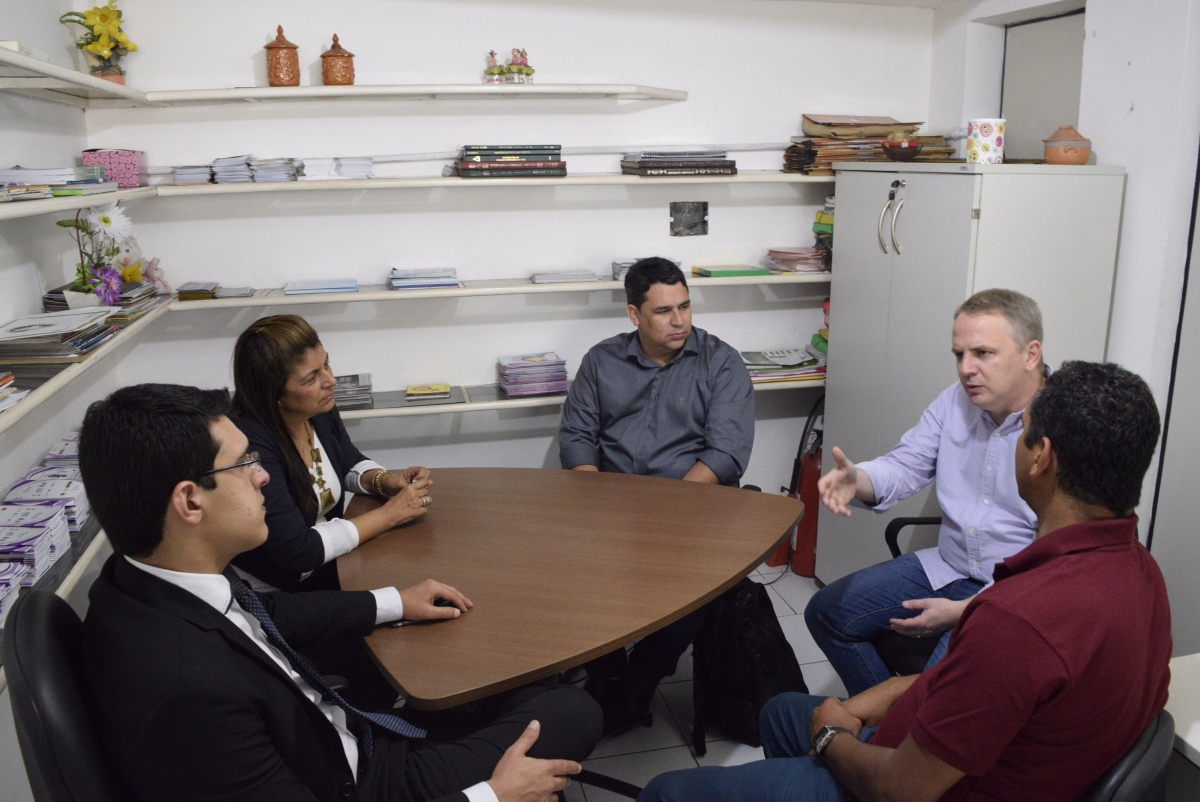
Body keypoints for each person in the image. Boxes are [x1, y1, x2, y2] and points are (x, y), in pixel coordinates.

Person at [639, 360, 1171, 802]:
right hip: (939, 751)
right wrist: (863, 708)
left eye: (1024, 433)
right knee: (781, 712)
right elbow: (973, 689)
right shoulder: (1143, 575)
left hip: (902, 787)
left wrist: (831, 737)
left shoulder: (1017, 621)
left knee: (665, 792)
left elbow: (902, 788)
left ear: (1043, 457)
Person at [78, 383, 602, 802]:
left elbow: (265, 614)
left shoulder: (146, 577)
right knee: (573, 711)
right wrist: (490, 795)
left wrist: (394, 601)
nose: (263, 477)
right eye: (244, 464)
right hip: (359, 781)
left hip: (342, 737)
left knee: (513, 678)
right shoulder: (185, 693)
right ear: (190, 502)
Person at [805, 288, 1046, 695]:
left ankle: (901, 740)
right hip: (949, 564)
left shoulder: (1063, 421)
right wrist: (859, 480)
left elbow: (1058, 564)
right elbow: (905, 464)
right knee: (827, 613)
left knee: (936, 691)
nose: (966, 369)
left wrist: (964, 612)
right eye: (958, 354)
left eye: (983, 353)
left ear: (1031, 354)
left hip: (1011, 590)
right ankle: (884, 735)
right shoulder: (954, 402)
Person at [558, 256, 754, 735]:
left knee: (694, 589)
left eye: (685, 306)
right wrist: (593, 497)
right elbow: (577, 437)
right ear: (634, 315)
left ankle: (639, 683)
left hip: (689, 507)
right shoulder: (602, 360)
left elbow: (726, 453)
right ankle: (606, 668)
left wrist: (666, 511)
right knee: (566, 567)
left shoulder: (720, 361)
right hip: (609, 503)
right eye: (664, 311)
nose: (680, 320)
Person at [230, 314, 432, 593]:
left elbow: (345, 459)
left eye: (326, 363)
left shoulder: (316, 409)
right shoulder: (248, 445)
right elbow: (297, 551)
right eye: (312, 377)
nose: (331, 380)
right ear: (272, 393)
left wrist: (383, 480)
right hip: (278, 590)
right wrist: (389, 515)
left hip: (329, 565)